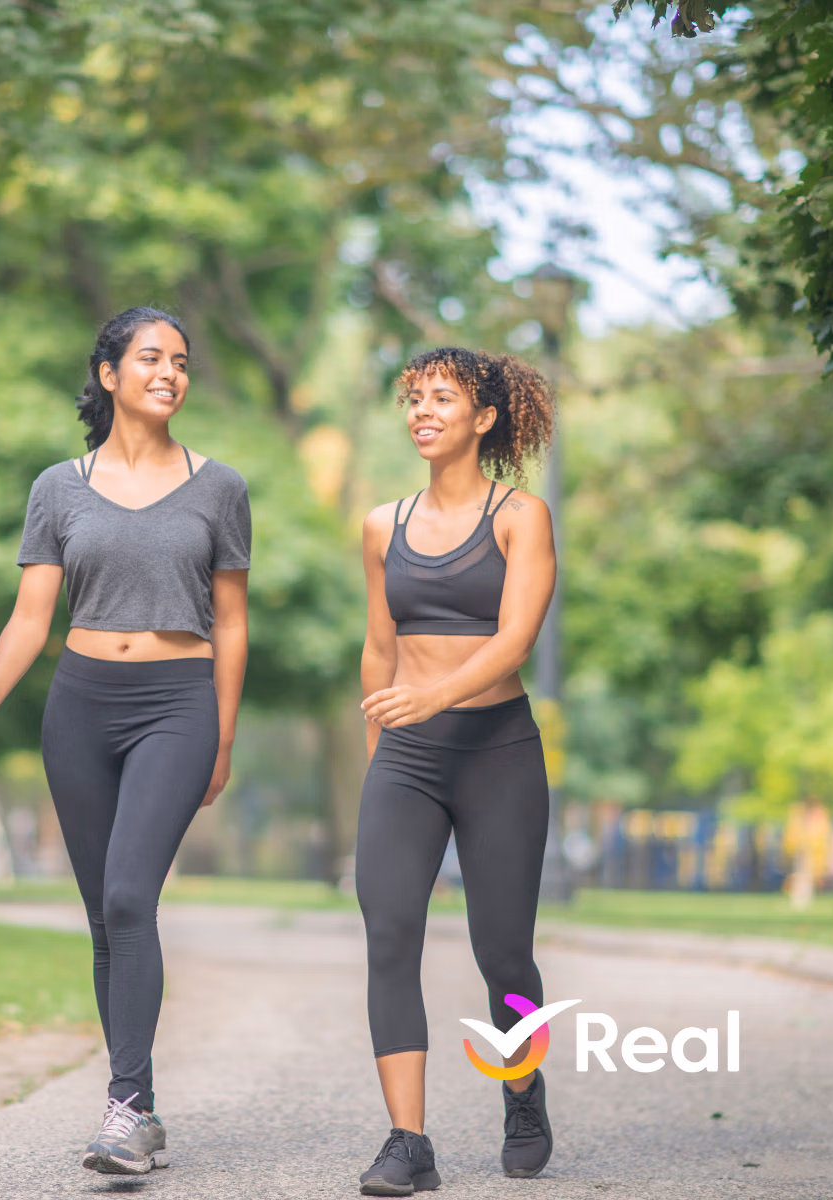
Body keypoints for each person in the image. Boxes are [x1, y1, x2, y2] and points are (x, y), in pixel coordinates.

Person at [0, 307, 250, 1177]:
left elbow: (232, 623)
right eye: (151, 358)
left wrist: (223, 735)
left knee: (128, 897)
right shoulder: (58, 488)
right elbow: (31, 617)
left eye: (181, 362)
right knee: (104, 920)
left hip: (177, 703)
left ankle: (122, 1109)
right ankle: (139, 1111)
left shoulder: (219, 487)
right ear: (110, 374)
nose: (170, 373)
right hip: (80, 705)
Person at [354, 347, 557, 1193]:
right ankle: (409, 1142)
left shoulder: (521, 517)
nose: (423, 412)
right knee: (390, 935)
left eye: (443, 398)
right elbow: (379, 648)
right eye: (414, 398)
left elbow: (516, 641)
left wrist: (432, 697)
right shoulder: (382, 524)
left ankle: (523, 1092)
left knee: (502, 953)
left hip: (497, 753)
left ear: (484, 418)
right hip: (407, 758)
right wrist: (381, 755)